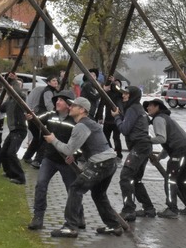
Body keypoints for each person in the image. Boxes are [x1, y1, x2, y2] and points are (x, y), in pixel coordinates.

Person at [44, 96, 124, 238]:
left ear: (82, 110)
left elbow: (68, 149)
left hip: (100, 164)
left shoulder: (81, 126)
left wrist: (53, 140)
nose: (70, 107)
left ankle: (70, 227)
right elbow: (85, 146)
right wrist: (75, 156)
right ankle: (114, 225)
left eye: (73, 106)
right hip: (110, 162)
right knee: (99, 194)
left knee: (75, 189)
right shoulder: (90, 124)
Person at [27, 89, 83, 230]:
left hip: (67, 162)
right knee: (41, 184)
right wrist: (30, 118)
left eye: (61, 100)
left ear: (69, 104)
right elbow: (37, 119)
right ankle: (38, 217)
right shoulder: (51, 115)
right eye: (57, 100)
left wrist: (75, 155)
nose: (57, 102)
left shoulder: (76, 121)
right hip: (50, 158)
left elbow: (82, 143)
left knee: (72, 190)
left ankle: (78, 216)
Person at [145, 98, 186, 218]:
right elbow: (168, 142)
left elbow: (162, 139)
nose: (148, 108)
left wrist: (146, 140)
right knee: (182, 179)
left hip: (179, 151)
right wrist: (159, 157)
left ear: (158, 107)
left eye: (151, 106)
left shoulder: (158, 119)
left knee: (170, 179)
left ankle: (172, 209)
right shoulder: (166, 118)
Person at [113, 86, 156, 221]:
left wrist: (116, 118)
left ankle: (129, 209)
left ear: (133, 96)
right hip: (144, 146)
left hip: (139, 146)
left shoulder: (133, 109)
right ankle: (149, 208)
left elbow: (125, 129)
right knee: (135, 179)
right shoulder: (138, 109)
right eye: (123, 93)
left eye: (126, 94)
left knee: (125, 177)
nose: (124, 96)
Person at [0, 75, 27, 185]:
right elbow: (1, 108)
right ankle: (9, 172)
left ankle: (20, 177)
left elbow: (18, 92)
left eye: (13, 87)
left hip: (19, 129)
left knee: (11, 153)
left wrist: (13, 81)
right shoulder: (9, 101)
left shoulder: (20, 99)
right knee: (4, 152)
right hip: (13, 130)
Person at [23, 74, 59, 167]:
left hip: (37, 118)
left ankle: (27, 156)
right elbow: (49, 105)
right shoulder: (48, 91)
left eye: (56, 81)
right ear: (48, 82)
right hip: (41, 118)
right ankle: (37, 160)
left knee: (37, 139)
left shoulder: (51, 91)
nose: (56, 82)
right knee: (45, 139)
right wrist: (56, 112)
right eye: (53, 80)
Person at [102, 77, 124, 159]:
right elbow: (102, 104)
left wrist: (114, 83)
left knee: (116, 138)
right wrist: (100, 116)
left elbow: (120, 90)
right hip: (108, 119)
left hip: (117, 120)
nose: (116, 85)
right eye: (115, 84)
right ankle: (110, 151)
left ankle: (119, 154)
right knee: (105, 137)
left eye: (118, 84)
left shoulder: (121, 94)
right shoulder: (108, 93)